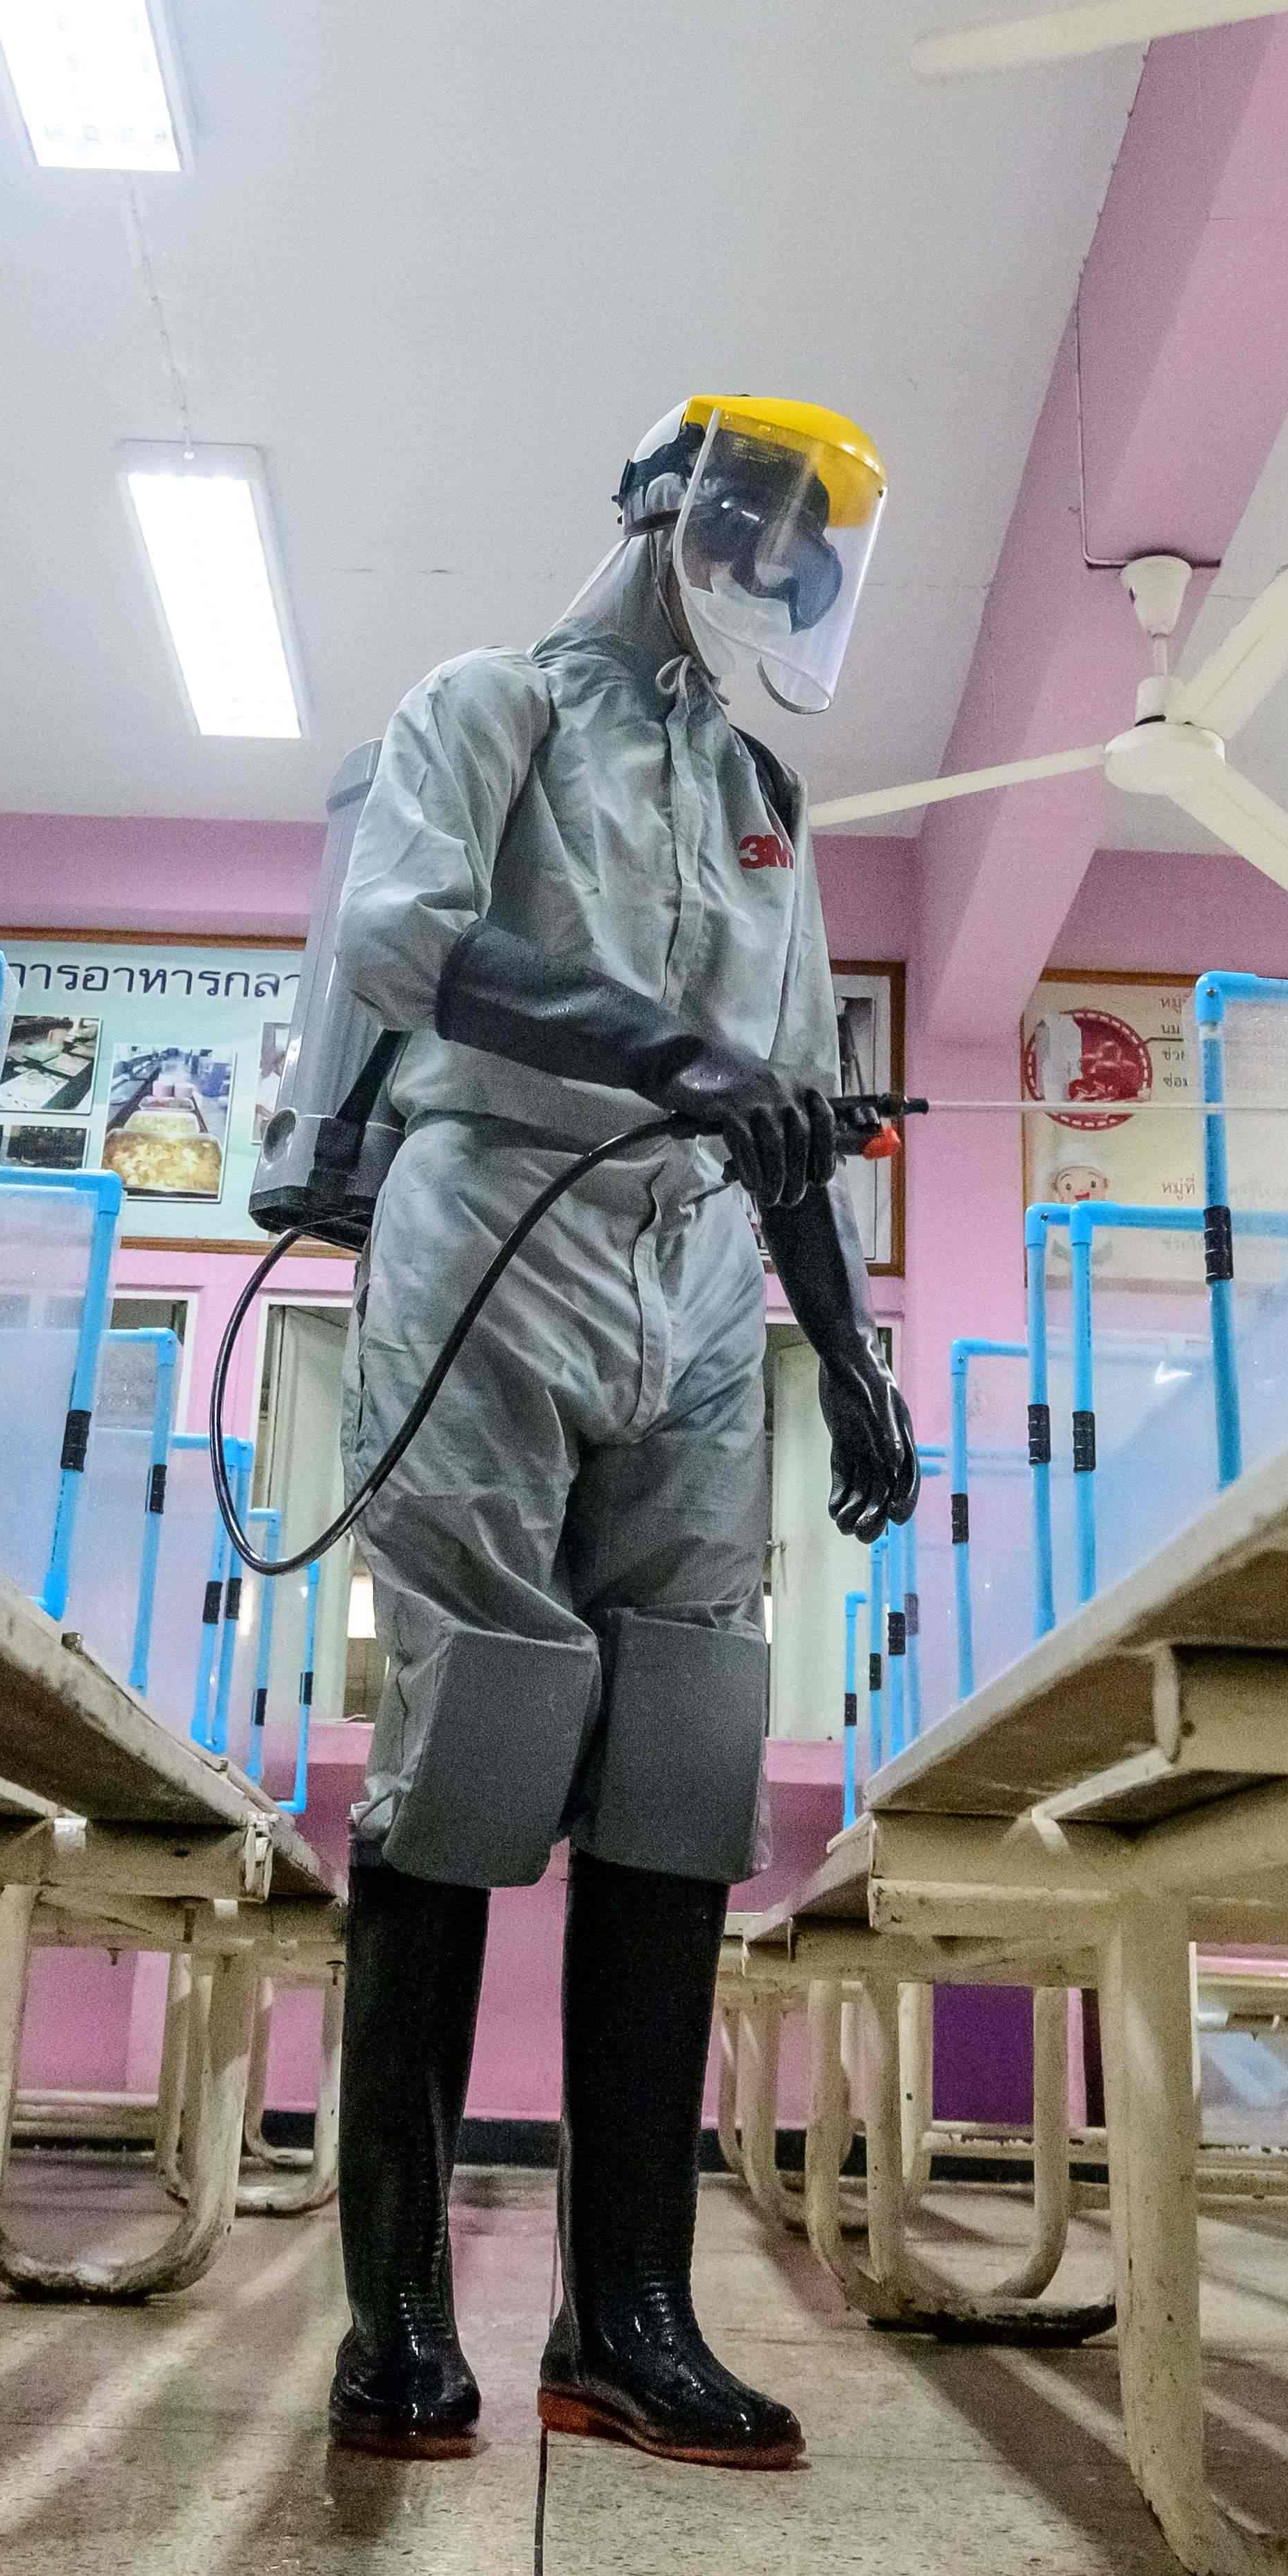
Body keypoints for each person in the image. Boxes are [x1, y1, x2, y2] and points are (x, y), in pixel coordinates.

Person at [314, 394, 920, 2468]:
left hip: (691, 1282)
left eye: (810, 567)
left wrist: (843, 1345)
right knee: (477, 1740)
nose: (779, 585)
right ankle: (395, 2310)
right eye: (762, 541)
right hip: (490, 1216)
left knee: (679, 1769)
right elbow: (399, 936)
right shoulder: (487, 707)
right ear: (674, 514)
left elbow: (790, 1086)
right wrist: (676, 1053)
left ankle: (628, 2314)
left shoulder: (767, 797)